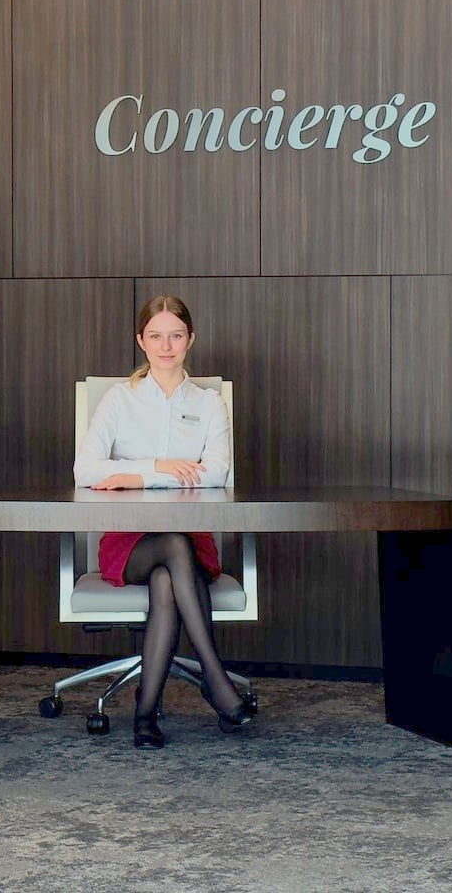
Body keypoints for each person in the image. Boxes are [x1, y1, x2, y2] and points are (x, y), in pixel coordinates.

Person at [73, 294, 254, 749]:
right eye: (156, 336)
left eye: (176, 335)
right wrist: (159, 467)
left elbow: (216, 473)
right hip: (130, 542)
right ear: (141, 341)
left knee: (167, 572)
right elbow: (85, 470)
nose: (166, 346)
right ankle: (215, 678)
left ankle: (145, 714)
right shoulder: (120, 399)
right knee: (170, 548)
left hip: (192, 540)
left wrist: (133, 475)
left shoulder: (209, 403)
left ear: (190, 339)